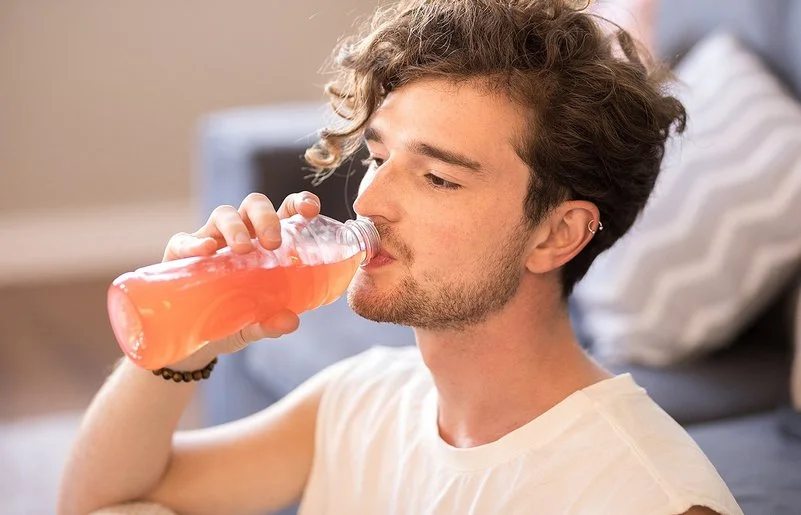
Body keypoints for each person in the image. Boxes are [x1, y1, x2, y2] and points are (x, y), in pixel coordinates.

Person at [59, 1, 743, 514]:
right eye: (379, 157)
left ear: (555, 234)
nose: (369, 200)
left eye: (438, 177)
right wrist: (183, 344)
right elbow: (101, 501)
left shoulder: (645, 496)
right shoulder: (360, 398)